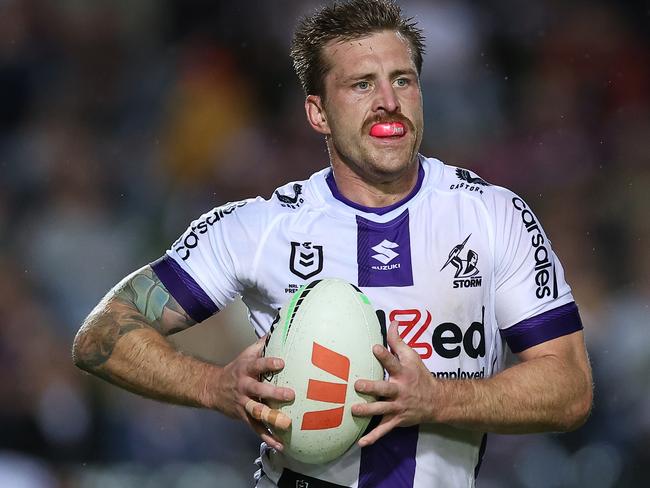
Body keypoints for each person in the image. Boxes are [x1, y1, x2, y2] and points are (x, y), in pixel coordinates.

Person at [72, 0, 593, 486]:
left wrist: (438, 399)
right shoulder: (259, 228)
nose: (388, 102)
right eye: (362, 85)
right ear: (317, 113)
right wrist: (214, 387)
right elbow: (99, 337)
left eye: (402, 80)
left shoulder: (493, 215)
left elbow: (570, 389)